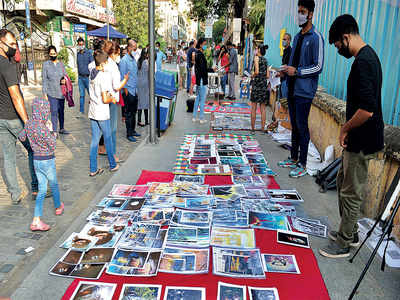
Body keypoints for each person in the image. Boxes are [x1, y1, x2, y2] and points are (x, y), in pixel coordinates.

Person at [319, 15, 384, 258]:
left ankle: (345, 242)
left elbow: (367, 110)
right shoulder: (366, 58)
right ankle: (351, 231)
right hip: (358, 138)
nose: (338, 51)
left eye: (338, 46)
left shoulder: (365, 62)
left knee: (351, 190)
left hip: (363, 138)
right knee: (343, 182)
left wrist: (345, 128)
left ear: (346, 37)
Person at [278, 0, 324, 178]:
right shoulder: (297, 37)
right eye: (298, 11)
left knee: (302, 126)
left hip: (304, 91)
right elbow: (291, 63)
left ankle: (303, 164)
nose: (299, 15)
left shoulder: (316, 37)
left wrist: (297, 71)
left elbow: (318, 66)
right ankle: (293, 157)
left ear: (310, 14)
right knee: (294, 126)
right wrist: (284, 73)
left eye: (302, 11)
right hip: (291, 87)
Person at [0, 28, 38, 203]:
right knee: (33, 149)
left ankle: (15, 194)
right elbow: (16, 97)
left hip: (1, 119)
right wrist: (27, 122)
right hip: (14, 119)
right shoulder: (6, 66)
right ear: (1, 43)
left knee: (8, 157)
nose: (15, 47)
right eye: (12, 44)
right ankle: (37, 187)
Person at [19, 97, 64, 231]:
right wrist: (51, 130)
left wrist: (33, 143)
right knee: (54, 184)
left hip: (36, 161)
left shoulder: (29, 124)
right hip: (47, 160)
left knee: (42, 189)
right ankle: (58, 207)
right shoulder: (42, 128)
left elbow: (21, 137)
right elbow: (52, 144)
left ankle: (36, 220)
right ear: (44, 111)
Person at [88, 50, 119, 176]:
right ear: (103, 63)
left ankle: (93, 168)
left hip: (93, 111)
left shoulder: (92, 73)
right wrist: (113, 98)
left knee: (95, 140)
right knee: (108, 138)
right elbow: (105, 99)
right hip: (102, 112)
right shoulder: (102, 77)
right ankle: (113, 164)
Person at [103, 41, 129, 161]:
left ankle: (108, 152)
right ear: (113, 53)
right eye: (118, 53)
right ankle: (112, 155)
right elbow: (116, 86)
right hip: (111, 99)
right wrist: (125, 80)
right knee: (112, 129)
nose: (118, 56)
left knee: (105, 128)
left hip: (104, 99)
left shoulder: (103, 63)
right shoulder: (112, 65)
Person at [42, 45, 69, 135]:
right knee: (54, 111)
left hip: (61, 92)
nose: (53, 55)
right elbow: (44, 80)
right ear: (49, 55)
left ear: (56, 53)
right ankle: (54, 131)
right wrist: (44, 94)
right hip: (51, 93)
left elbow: (65, 75)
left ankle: (61, 128)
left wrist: (64, 80)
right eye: (51, 54)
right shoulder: (46, 65)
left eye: (54, 53)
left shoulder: (61, 64)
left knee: (61, 110)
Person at [120, 39, 140, 142]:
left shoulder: (133, 59)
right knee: (128, 113)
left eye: (136, 48)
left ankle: (133, 130)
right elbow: (122, 78)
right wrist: (126, 92)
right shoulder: (124, 61)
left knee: (134, 112)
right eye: (134, 48)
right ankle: (129, 133)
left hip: (134, 90)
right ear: (129, 47)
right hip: (128, 91)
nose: (135, 50)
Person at [192, 38, 215, 124]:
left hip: (199, 79)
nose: (205, 46)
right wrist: (211, 69)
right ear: (201, 44)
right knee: (202, 99)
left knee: (198, 98)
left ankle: (194, 116)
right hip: (202, 79)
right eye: (205, 44)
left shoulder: (197, 54)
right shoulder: (200, 54)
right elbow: (203, 69)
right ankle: (201, 117)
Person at [250, 44, 270, 134]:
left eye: (256, 48)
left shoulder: (256, 58)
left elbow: (257, 71)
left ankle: (253, 128)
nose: (255, 50)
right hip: (263, 85)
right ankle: (262, 128)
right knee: (263, 109)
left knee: (254, 107)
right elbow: (268, 75)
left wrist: (252, 75)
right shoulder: (266, 60)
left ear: (259, 50)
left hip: (257, 84)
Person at [76, 37, 93, 114]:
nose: (81, 46)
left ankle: (93, 109)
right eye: (79, 45)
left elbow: (92, 65)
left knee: (92, 94)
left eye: (82, 44)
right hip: (80, 78)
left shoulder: (89, 53)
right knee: (82, 95)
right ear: (77, 45)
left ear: (84, 44)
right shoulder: (77, 54)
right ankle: (81, 111)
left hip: (87, 77)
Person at [137, 48, 150, 127]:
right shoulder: (146, 62)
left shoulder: (138, 61)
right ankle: (146, 120)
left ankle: (139, 120)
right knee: (145, 103)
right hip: (145, 84)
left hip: (139, 83)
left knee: (140, 103)